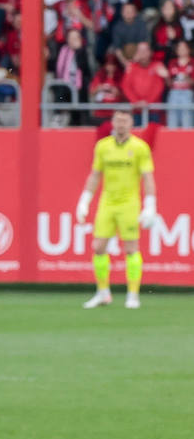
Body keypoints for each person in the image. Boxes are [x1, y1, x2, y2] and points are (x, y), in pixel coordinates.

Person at [75, 108, 156, 310]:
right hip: (107, 202)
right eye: (118, 120)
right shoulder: (103, 147)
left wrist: (150, 205)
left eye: (125, 121)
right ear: (112, 122)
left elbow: (147, 177)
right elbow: (95, 175)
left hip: (129, 203)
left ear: (131, 123)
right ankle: (103, 293)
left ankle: (133, 294)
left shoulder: (140, 147)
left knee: (131, 249)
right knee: (98, 247)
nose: (121, 124)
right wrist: (84, 200)